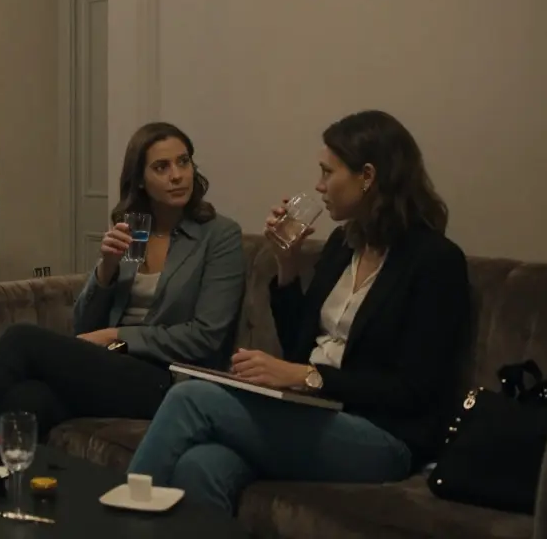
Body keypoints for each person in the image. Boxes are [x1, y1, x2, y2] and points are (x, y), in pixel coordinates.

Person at [127, 110, 471, 514]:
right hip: (314, 414)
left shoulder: (434, 260)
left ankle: (110, 527)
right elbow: (299, 344)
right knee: (200, 466)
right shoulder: (344, 244)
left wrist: (308, 378)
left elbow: (414, 388)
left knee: (190, 399)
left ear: (368, 176)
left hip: (383, 436)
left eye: (328, 172)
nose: (319, 185)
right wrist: (287, 266)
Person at [0, 122, 246, 439]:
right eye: (162, 167)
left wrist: (117, 335)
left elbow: (205, 336)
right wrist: (107, 269)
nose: (177, 175)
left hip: (169, 378)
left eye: (183, 162)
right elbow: (83, 326)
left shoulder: (218, 236)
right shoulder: (136, 230)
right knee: (27, 400)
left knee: (21, 339)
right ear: (140, 181)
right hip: (113, 367)